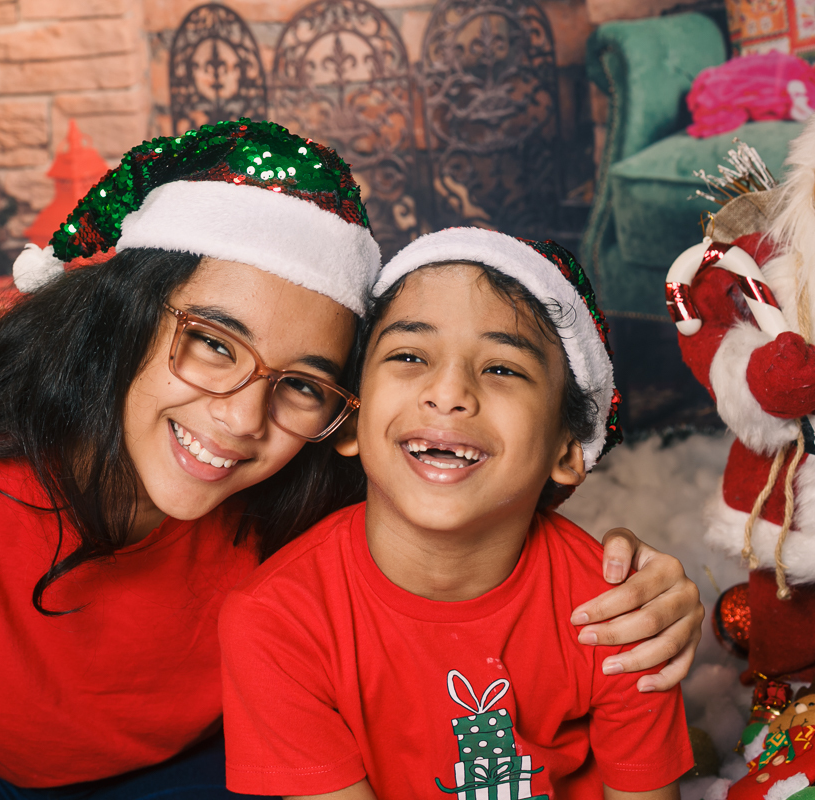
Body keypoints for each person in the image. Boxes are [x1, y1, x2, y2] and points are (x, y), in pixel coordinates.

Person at [0, 125, 701, 800]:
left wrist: (642, 577)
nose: (239, 419)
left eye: (302, 383)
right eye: (213, 343)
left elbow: (476, 514)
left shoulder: (316, 474)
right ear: (127, 311)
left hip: (195, 774)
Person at [219, 229, 694, 800]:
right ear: (350, 419)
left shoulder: (620, 614)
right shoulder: (276, 622)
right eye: (410, 356)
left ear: (569, 450)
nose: (448, 392)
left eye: (502, 369)